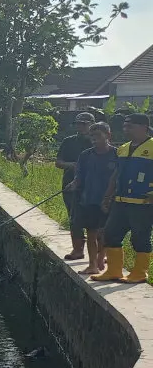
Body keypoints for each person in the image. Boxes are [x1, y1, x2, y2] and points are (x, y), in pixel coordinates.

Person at [92, 114, 153, 283]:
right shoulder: (123, 148)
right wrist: (107, 196)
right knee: (111, 233)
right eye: (125, 126)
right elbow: (116, 174)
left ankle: (140, 272)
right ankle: (114, 270)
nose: (126, 130)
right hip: (120, 201)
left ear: (144, 128)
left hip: (143, 203)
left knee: (140, 237)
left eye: (130, 126)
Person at [70, 122, 117, 275]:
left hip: (109, 201)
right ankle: (92, 264)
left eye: (98, 135)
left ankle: (101, 257)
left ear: (108, 135)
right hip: (89, 199)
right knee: (91, 232)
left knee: (104, 233)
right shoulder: (85, 155)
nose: (94, 139)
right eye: (92, 136)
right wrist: (75, 183)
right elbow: (79, 175)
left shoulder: (117, 155)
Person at [55, 112, 96, 260]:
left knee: (95, 219)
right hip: (70, 184)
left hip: (93, 187)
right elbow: (58, 162)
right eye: (78, 124)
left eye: (84, 124)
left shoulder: (97, 143)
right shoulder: (68, 141)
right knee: (74, 218)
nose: (81, 127)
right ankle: (78, 250)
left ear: (92, 124)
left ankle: (98, 252)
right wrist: (71, 165)